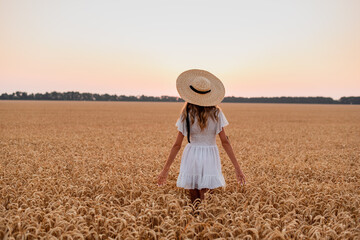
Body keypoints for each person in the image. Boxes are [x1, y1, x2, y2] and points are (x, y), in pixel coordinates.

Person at [157, 69, 246, 206]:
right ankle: (204, 223)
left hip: (191, 154)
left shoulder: (186, 113)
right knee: (206, 199)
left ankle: (194, 220)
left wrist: (165, 170)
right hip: (210, 155)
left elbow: (177, 145)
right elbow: (225, 142)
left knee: (194, 200)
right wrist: (238, 169)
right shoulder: (216, 113)